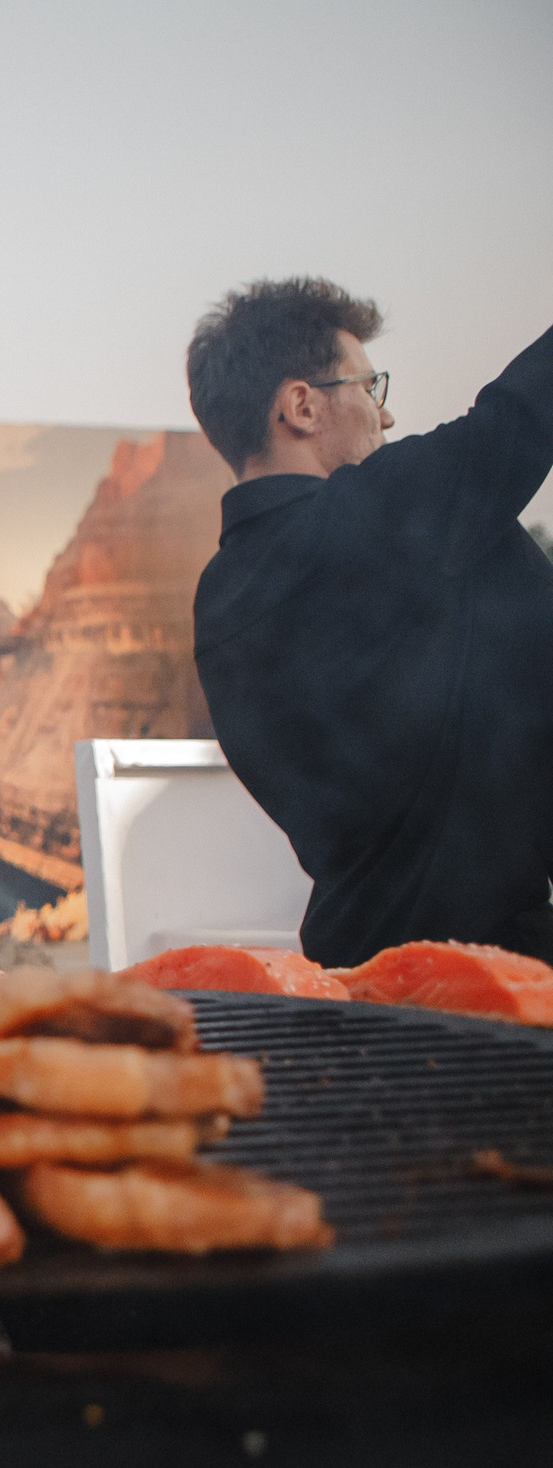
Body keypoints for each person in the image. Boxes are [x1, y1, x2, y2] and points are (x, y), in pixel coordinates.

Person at [189, 282, 553, 966]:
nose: (384, 417)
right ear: (301, 405)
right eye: (369, 386)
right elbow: (520, 417)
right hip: (491, 972)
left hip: (352, 969)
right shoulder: (369, 521)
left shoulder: (219, 601)